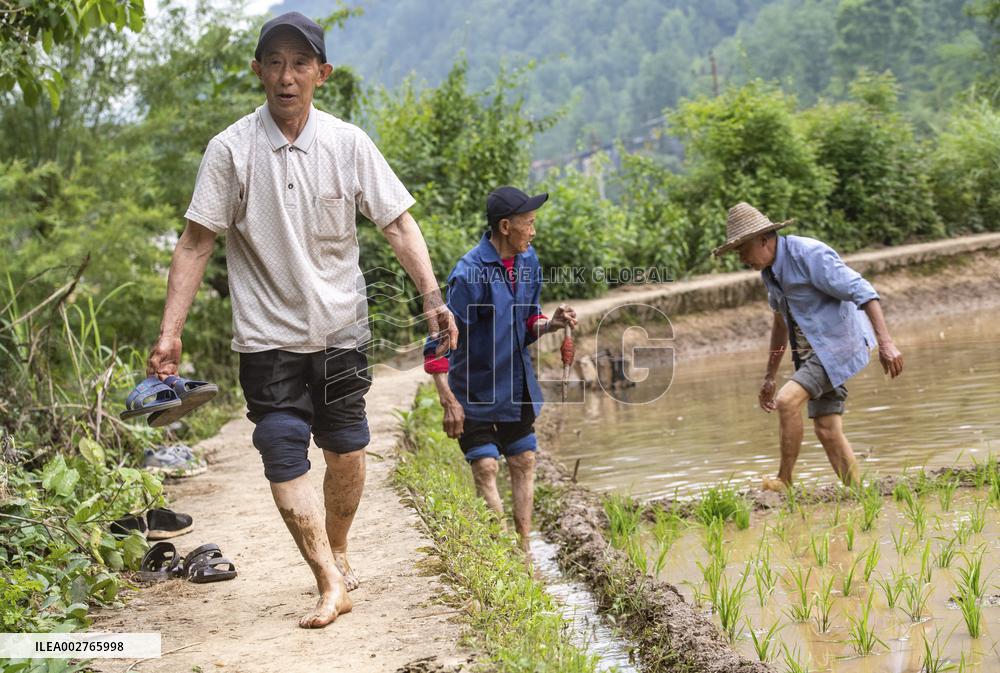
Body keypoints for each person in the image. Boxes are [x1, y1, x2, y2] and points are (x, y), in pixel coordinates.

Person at [145, 12, 456, 628]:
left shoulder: (348, 144)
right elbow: (195, 243)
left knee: (347, 450)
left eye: (300, 64)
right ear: (258, 71)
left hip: (341, 330)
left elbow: (396, 222)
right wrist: (169, 332)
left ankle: (336, 547)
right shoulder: (231, 150)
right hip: (266, 338)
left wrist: (431, 295)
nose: (287, 77)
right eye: (275, 63)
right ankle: (327, 578)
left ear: (322, 73)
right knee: (279, 444)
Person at [424, 186, 577, 549]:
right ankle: (504, 550)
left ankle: (524, 549)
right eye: (529, 223)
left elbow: (527, 323)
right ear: (506, 226)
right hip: (474, 387)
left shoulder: (529, 262)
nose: (534, 231)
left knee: (524, 460)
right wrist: (448, 400)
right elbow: (440, 339)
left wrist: (551, 324)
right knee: (487, 467)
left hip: (515, 382)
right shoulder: (469, 274)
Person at [713, 202, 903, 491]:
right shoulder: (769, 273)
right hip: (810, 353)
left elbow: (863, 291)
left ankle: (784, 481)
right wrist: (769, 376)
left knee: (788, 402)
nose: (741, 259)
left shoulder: (808, 255)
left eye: (742, 250)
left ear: (763, 240)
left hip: (837, 347)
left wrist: (886, 344)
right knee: (827, 429)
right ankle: (860, 496)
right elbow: (780, 325)